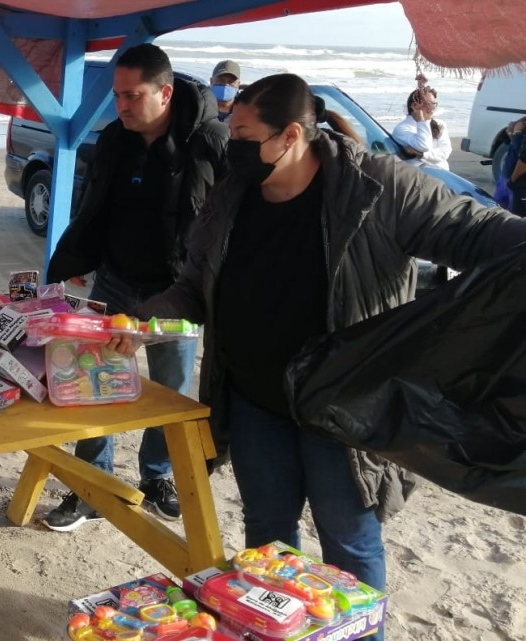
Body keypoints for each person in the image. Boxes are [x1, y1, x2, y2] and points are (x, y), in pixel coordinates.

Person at [124, 73, 526, 640]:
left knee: (349, 542)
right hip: (254, 399)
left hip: (343, 407)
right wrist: (147, 320)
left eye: (244, 136)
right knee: (268, 539)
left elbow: (479, 232)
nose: (231, 146)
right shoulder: (232, 193)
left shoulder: (377, 187)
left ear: (290, 135)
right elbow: (194, 285)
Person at [43, 44, 229, 531]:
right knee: (95, 381)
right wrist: (79, 256)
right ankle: (92, 484)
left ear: (165, 93)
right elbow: (93, 202)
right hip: (115, 279)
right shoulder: (113, 138)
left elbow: (231, 219)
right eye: (117, 95)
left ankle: (157, 477)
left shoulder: (210, 141)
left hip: (177, 290)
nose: (121, 105)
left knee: (169, 391)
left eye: (132, 95)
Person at [391, 86, 452, 171]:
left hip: (442, 172)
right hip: (419, 175)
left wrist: (420, 154)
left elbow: (445, 152)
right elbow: (424, 146)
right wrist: (421, 121)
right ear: (414, 105)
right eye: (428, 104)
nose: (432, 108)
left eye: (434, 104)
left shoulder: (439, 124)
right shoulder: (402, 129)